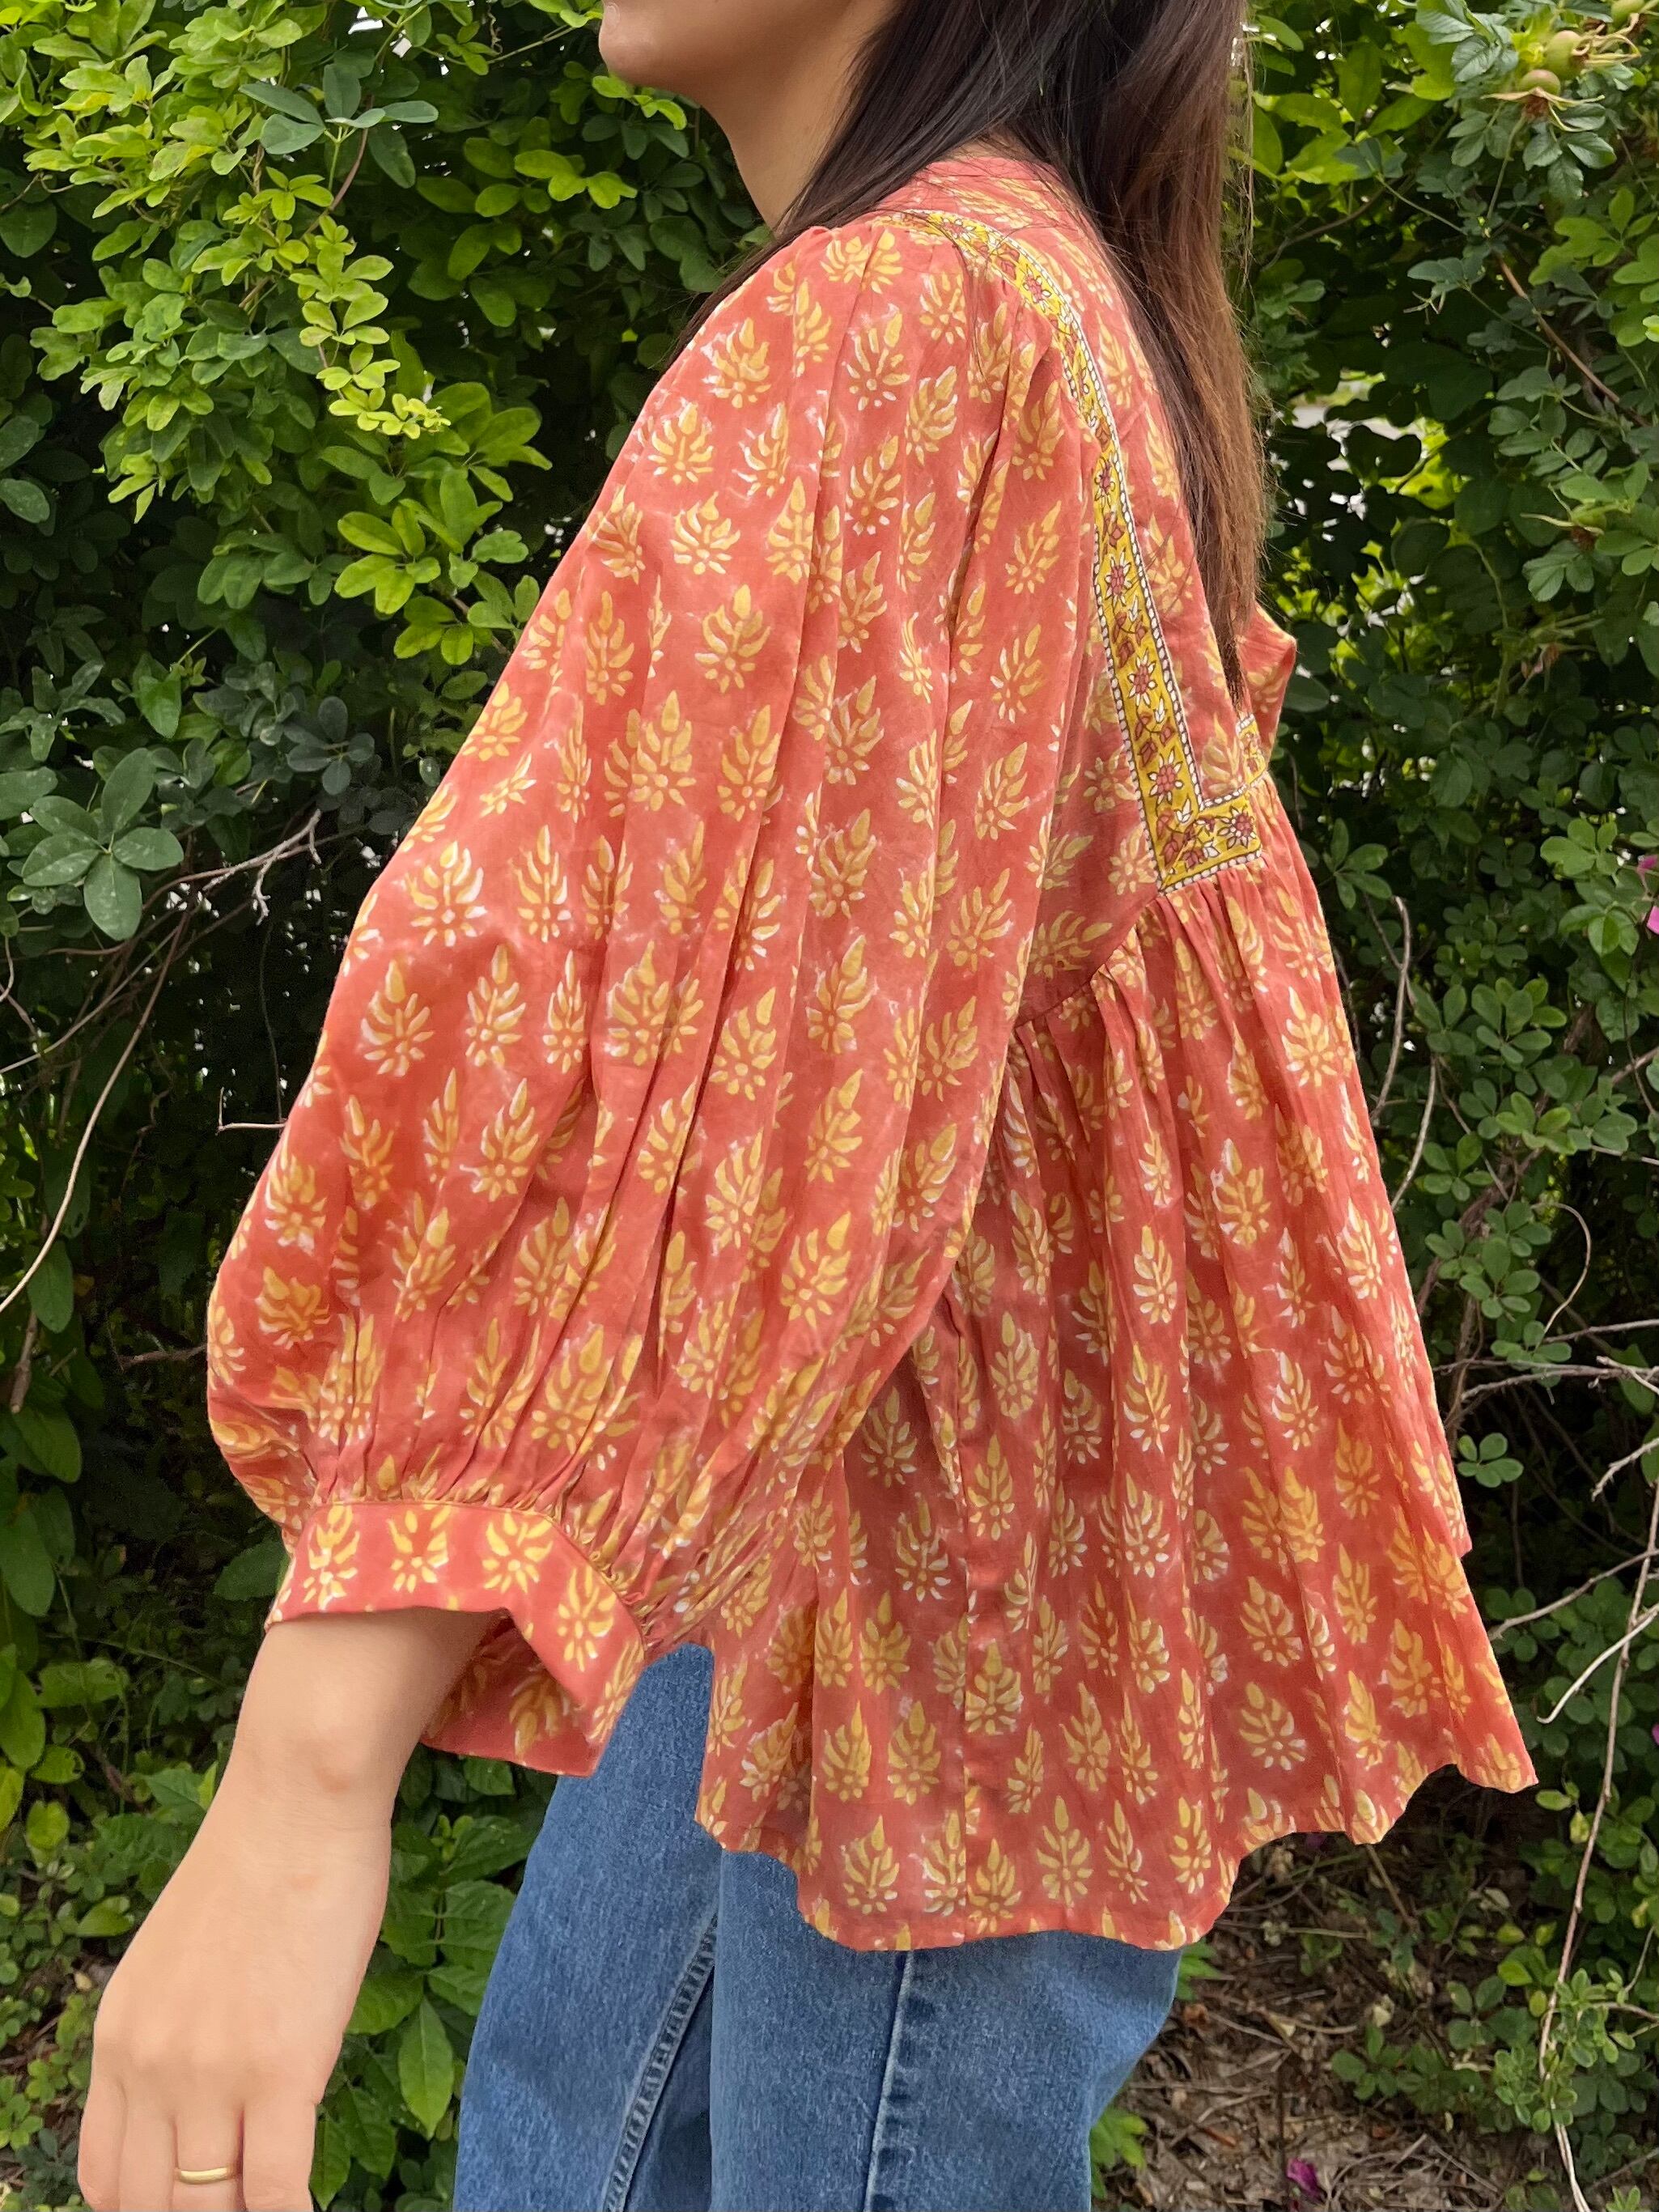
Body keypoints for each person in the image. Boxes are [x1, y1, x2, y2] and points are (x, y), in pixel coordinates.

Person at [77, 1, 1538, 2207]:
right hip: (858, 1472)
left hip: (953, 1557)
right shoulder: (1031, 286)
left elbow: (651, 1035)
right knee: (567, 2146)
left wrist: (305, 1770)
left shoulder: (915, 320)